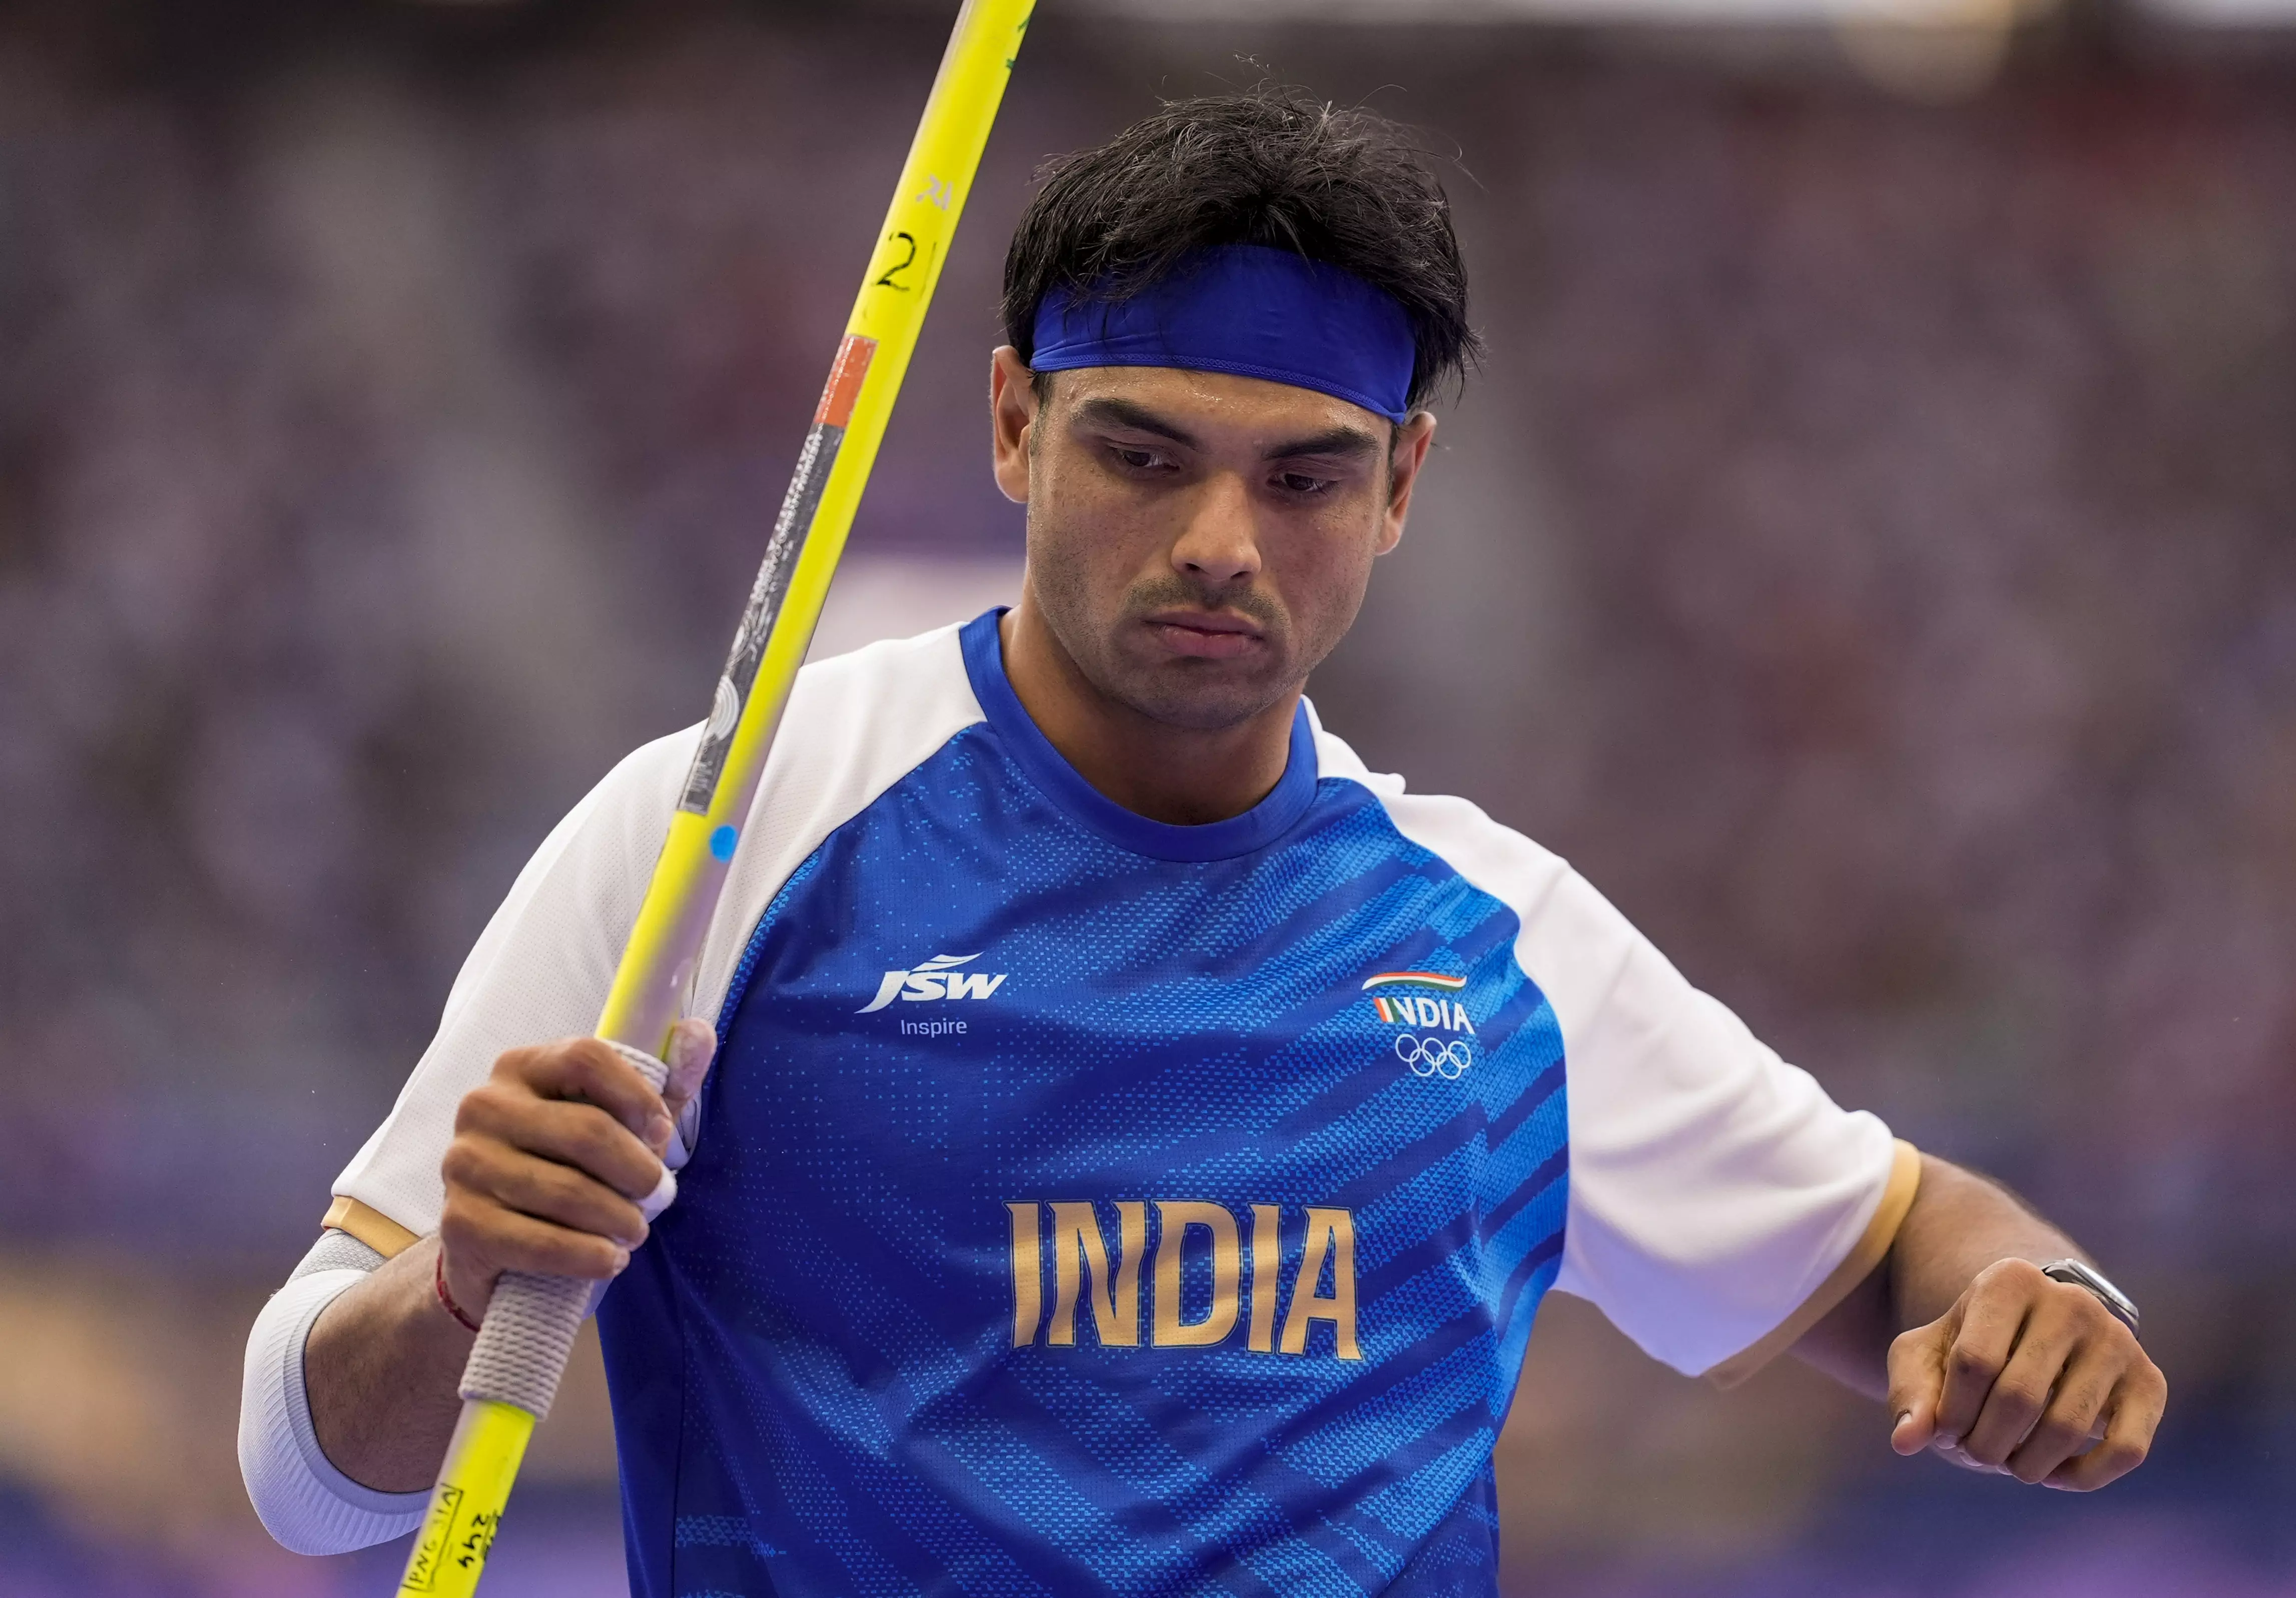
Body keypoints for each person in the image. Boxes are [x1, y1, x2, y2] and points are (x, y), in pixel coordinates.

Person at [239, 88, 2166, 1596]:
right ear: (1014, 426)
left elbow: (1908, 1236)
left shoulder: (1497, 944)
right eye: (1143, 453)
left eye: (1307, 473)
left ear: (1403, 485)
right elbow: (301, 1466)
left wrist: (2052, 1311)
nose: (1221, 542)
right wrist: (467, 1288)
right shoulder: (728, 839)